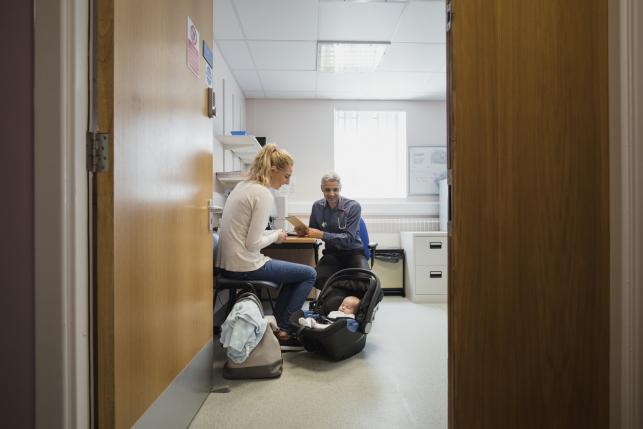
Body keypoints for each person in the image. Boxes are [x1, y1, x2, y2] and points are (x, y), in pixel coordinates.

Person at [217, 143, 316, 350]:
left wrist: (273, 235)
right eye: (286, 176)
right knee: (308, 273)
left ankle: (280, 327)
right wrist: (275, 237)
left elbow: (250, 235)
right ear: (273, 170)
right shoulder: (262, 194)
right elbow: (253, 244)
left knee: (294, 275)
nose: (287, 182)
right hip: (244, 265)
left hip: (230, 264)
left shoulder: (243, 186)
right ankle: (286, 329)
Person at [296, 172, 369, 290]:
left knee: (365, 282)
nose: (331, 194)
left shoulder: (353, 206)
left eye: (335, 189)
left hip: (354, 252)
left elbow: (349, 239)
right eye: (327, 190)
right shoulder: (317, 206)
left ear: (340, 188)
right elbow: (314, 232)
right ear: (322, 189)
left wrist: (322, 234)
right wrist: (304, 233)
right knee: (317, 278)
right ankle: (342, 292)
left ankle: (343, 293)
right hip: (332, 253)